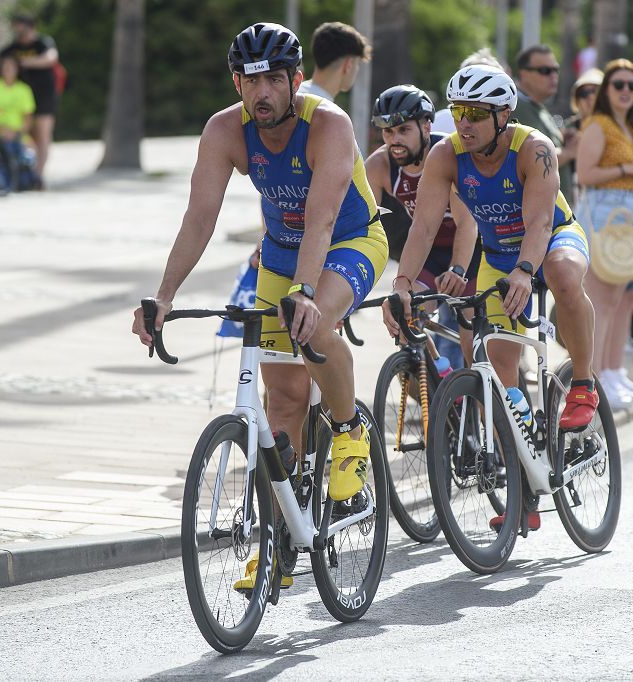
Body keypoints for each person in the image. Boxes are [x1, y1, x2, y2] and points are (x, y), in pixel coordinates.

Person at [131, 23, 388, 589]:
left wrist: (303, 291)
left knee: (316, 331)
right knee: (283, 404)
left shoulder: (330, 124)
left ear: (298, 79)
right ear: (237, 84)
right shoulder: (225, 130)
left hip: (348, 240)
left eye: (276, 78)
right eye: (253, 80)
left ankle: (349, 434)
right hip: (278, 254)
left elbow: (321, 218)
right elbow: (200, 217)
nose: (264, 91)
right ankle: (275, 545)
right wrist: (165, 295)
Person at [382, 65, 597, 530]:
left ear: (504, 115)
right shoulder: (446, 154)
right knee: (494, 375)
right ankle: (522, 490)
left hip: (553, 239)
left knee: (560, 274)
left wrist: (525, 271)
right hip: (499, 257)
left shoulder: (534, 148)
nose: (464, 123)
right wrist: (402, 285)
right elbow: (421, 228)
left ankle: (583, 383)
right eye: (459, 111)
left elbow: (540, 223)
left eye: (477, 114)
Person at [364, 84, 480, 360]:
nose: (394, 140)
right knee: (406, 322)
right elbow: (361, 226)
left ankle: (476, 395)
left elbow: (468, 224)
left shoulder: (446, 155)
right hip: (429, 252)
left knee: (471, 345)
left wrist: (459, 269)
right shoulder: (380, 165)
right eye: (388, 131)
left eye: (403, 130)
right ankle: (440, 382)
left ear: (426, 126)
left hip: (471, 252)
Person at [575, 59, 633, 410]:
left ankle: (610, 371)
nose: (625, 91)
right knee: (601, 300)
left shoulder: (629, 126)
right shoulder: (599, 124)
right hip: (604, 214)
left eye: (631, 85)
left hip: (627, 214)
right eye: (618, 84)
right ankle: (591, 380)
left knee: (618, 299)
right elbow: (584, 174)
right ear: (607, 89)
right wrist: (630, 169)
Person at [0, 13, 58, 186]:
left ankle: (38, 176)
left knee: (43, 136)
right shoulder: (12, 47)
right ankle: (24, 174)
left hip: (44, 96)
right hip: (22, 98)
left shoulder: (42, 43)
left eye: (20, 25)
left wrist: (22, 62)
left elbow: (51, 59)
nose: (17, 29)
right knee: (26, 138)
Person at [512, 44, 577, 202]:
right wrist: (568, 152)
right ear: (524, 74)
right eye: (545, 71)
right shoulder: (517, 106)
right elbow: (529, 159)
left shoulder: (539, 107)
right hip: (536, 212)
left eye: (556, 70)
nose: (553, 76)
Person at [0, 53, 36, 193]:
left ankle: (21, 180)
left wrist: (17, 133)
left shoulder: (23, 89)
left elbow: (28, 118)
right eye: (6, 67)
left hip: (17, 133)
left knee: (27, 150)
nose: (8, 70)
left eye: (12, 67)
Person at [298, 21, 371, 100]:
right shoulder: (325, 108)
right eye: (358, 63)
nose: (357, 69)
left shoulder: (293, 94)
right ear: (348, 65)